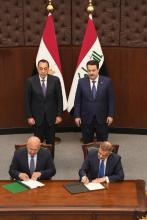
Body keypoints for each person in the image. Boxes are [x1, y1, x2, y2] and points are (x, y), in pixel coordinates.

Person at [25, 59, 63, 157]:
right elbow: (27, 101)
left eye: (45, 69)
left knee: (51, 142)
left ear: (48, 69)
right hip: (37, 118)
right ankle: (38, 162)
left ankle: (50, 162)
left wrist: (59, 115)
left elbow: (60, 99)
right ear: (38, 69)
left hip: (52, 118)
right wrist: (29, 116)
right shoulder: (30, 81)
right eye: (41, 68)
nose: (43, 71)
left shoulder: (55, 80)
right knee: (37, 142)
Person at [74, 60, 115, 143]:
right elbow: (77, 100)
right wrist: (77, 116)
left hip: (102, 118)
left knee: (103, 143)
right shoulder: (81, 82)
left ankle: (102, 157)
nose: (91, 73)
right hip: (86, 118)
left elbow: (111, 100)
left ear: (98, 70)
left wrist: (110, 115)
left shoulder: (107, 81)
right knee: (87, 143)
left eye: (93, 70)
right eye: (89, 70)